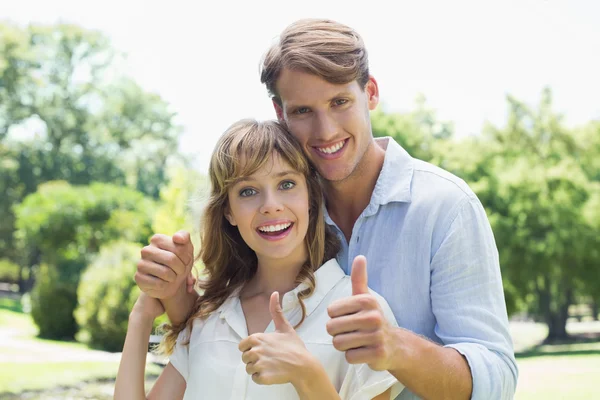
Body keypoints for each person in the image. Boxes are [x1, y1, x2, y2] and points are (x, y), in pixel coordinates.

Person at [136, 19, 518, 399]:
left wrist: (397, 348)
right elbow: (226, 326)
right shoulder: (283, 209)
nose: (326, 131)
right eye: (303, 111)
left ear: (370, 92)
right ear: (280, 112)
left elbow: (496, 379)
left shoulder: (446, 207)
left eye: (340, 102)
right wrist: (174, 295)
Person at [117, 119, 404, 399]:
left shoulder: (359, 312)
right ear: (228, 211)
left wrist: (307, 376)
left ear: (311, 198)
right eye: (248, 191)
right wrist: (141, 314)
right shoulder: (209, 314)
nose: (271, 206)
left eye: (287, 184)